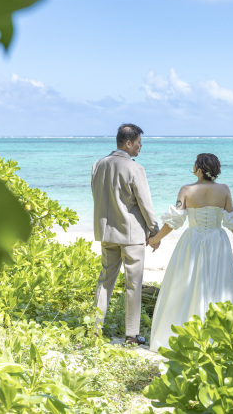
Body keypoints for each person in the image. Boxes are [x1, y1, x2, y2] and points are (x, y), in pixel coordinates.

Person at [146, 153, 233, 352]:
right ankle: (216, 338)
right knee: (217, 283)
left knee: (186, 283)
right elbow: (232, 223)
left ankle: (184, 333)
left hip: (192, 241)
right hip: (217, 242)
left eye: (195, 164)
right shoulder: (224, 190)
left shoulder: (186, 190)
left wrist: (155, 239)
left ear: (200, 169)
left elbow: (173, 222)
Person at [91, 123, 160, 345]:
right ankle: (131, 335)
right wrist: (154, 230)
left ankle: (94, 329)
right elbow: (145, 203)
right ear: (128, 143)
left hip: (107, 232)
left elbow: (97, 196)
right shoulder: (134, 168)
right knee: (133, 284)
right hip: (131, 235)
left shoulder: (98, 164)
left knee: (104, 281)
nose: (141, 147)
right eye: (139, 143)